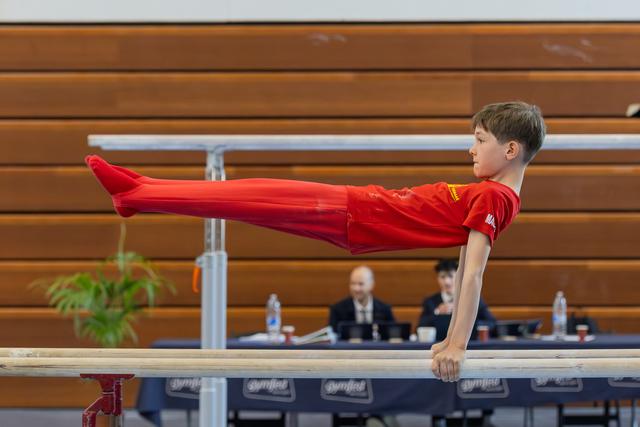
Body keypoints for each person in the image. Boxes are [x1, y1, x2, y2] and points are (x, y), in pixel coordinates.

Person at [85, 101, 545, 382]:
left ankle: (138, 192)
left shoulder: (496, 196)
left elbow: (473, 273)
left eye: (480, 140)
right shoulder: (494, 194)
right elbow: (464, 261)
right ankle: (138, 190)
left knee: (245, 197)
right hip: (355, 213)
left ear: (510, 150)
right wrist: (446, 339)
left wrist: (457, 346)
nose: (471, 148)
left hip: (353, 214)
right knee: (242, 196)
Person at [418, 258, 495, 336]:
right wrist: (437, 312)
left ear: (458, 277)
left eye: (450, 276)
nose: (446, 282)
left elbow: (491, 323)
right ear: (437, 279)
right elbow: (420, 326)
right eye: (442, 277)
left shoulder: (473, 299)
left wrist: (469, 322)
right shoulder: (430, 302)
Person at [328, 265, 395, 333]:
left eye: (361, 284)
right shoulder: (338, 310)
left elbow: (393, 334)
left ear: (371, 285)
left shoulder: (384, 309)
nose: (356, 288)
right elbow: (332, 337)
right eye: (353, 283)